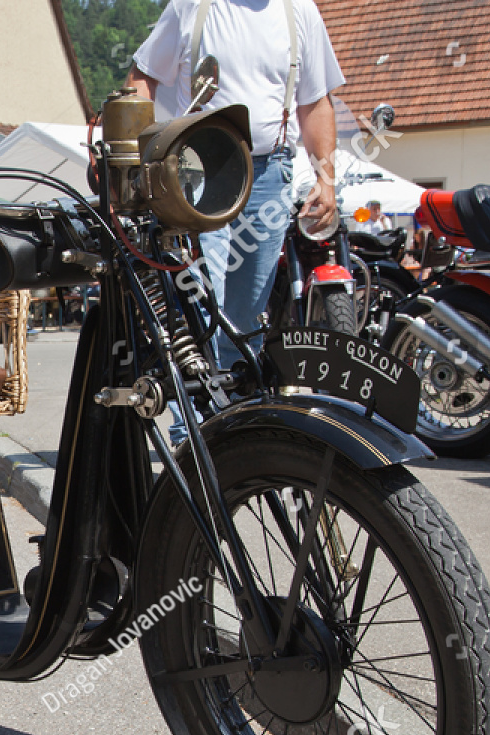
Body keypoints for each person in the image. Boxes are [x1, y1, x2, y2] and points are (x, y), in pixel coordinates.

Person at [129, 0, 345, 444]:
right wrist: (141, 154)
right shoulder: (193, 6)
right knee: (202, 299)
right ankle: (193, 425)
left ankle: (233, 418)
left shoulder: (298, 11)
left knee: (246, 312)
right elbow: (140, 80)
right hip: (195, 165)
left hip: (267, 174)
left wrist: (326, 178)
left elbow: (315, 102)